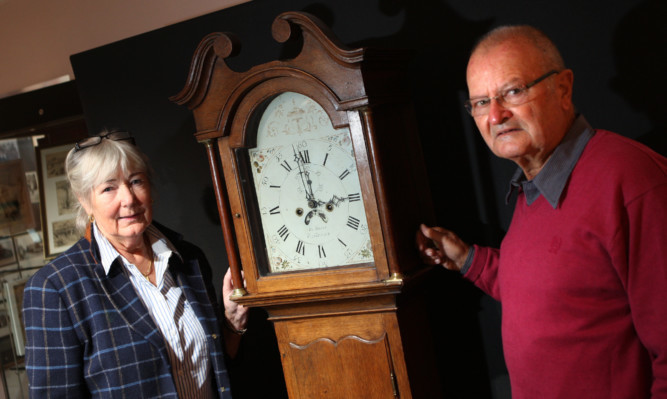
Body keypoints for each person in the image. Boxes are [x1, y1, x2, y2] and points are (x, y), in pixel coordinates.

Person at [417, 25, 667, 398]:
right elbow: (557, 292)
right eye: (481, 102)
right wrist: (471, 261)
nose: (496, 115)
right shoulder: (532, 184)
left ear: (563, 89)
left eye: (513, 91)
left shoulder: (631, 180)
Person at [23, 131, 249, 398]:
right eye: (109, 188)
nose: (129, 199)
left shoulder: (189, 258)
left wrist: (232, 322)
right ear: (85, 202)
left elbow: (217, 366)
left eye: (136, 181)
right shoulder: (55, 288)